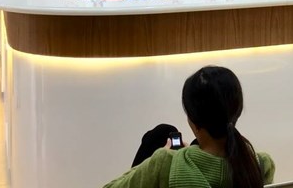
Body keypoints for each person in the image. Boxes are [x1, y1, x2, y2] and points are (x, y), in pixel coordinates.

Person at [104, 66, 275, 188]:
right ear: (237, 111)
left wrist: (158, 159)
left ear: (193, 121)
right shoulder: (259, 164)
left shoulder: (166, 164)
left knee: (160, 133)